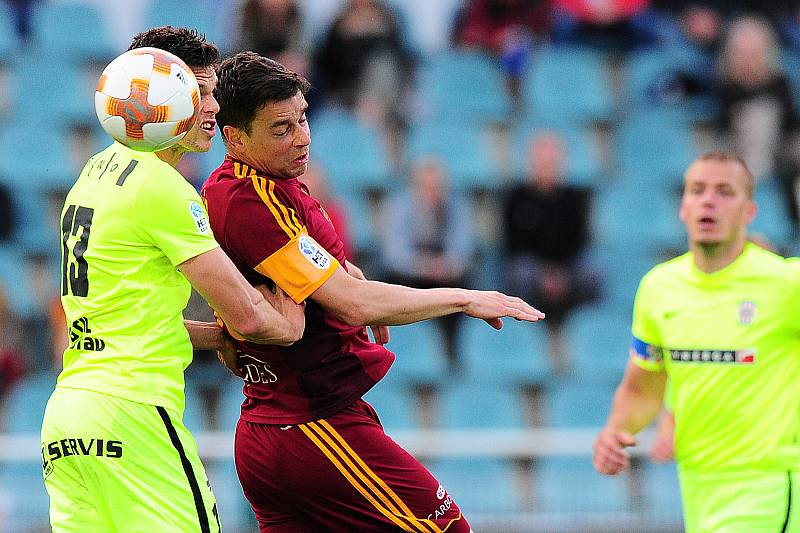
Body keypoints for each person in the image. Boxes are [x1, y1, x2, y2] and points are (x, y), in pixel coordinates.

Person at [203, 51, 544, 533]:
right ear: (234, 136)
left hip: (270, 423)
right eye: (281, 129)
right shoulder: (247, 200)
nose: (301, 138)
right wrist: (463, 297)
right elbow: (350, 302)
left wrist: (349, 275)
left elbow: (315, 275)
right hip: (313, 425)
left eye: (303, 118)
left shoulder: (253, 187)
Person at [40, 27, 305, 532]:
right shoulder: (162, 186)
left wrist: (214, 335)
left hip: (70, 419)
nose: (214, 108)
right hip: (136, 414)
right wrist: (292, 324)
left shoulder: (94, 172)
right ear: (158, 95)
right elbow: (250, 313)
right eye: (201, 92)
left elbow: (127, 319)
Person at [593, 152, 800, 533]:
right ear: (683, 207)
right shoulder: (658, 288)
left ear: (748, 211)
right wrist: (615, 430)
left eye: (724, 192)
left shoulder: (786, 284)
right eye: (697, 190)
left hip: (768, 484)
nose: (708, 200)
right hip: (696, 484)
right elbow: (643, 388)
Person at [381, 155, 476, 370]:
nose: (432, 192)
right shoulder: (399, 207)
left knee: (466, 291)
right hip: (408, 278)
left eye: (437, 187)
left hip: (443, 277)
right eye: (426, 186)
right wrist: (426, 266)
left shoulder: (455, 209)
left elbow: (463, 251)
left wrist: (445, 266)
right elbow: (394, 255)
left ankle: (454, 353)